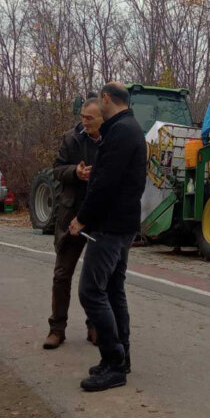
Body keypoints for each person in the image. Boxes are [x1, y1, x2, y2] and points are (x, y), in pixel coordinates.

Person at [69, 81, 147, 392]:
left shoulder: (121, 132)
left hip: (111, 226)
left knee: (90, 291)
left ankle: (114, 363)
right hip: (121, 224)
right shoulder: (127, 128)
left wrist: (82, 219)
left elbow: (105, 183)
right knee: (114, 290)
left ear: (106, 99)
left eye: (97, 102)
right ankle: (120, 358)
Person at [43, 97, 103, 350]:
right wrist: (75, 173)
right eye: (82, 117)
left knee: (97, 278)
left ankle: (95, 326)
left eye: (89, 118)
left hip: (99, 217)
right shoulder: (71, 138)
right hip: (72, 216)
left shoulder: (111, 140)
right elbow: (57, 169)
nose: (84, 122)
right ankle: (57, 329)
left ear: (102, 118)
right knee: (62, 275)